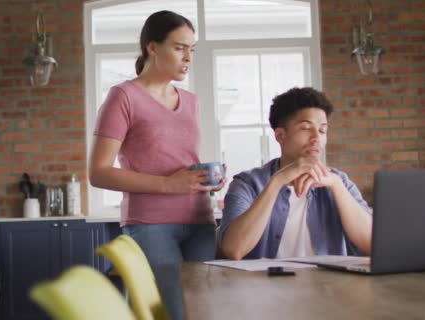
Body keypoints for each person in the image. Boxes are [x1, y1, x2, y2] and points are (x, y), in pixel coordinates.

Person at [89, 10, 225, 320]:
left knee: (203, 312)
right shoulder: (123, 96)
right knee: (176, 313)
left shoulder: (191, 101)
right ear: (152, 47)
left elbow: (179, 160)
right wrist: (168, 184)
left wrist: (208, 179)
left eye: (192, 49)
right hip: (151, 224)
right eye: (179, 47)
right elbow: (98, 172)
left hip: (200, 221)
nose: (188, 57)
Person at [219, 87, 372, 261]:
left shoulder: (339, 181)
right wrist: (277, 181)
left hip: (328, 286)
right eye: (306, 128)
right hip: (264, 285)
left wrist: (337, 187)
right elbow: (233, 250)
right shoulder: (247, 183)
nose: (316, 137)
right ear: (280, 135)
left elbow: (371, 244)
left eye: (322, 130)